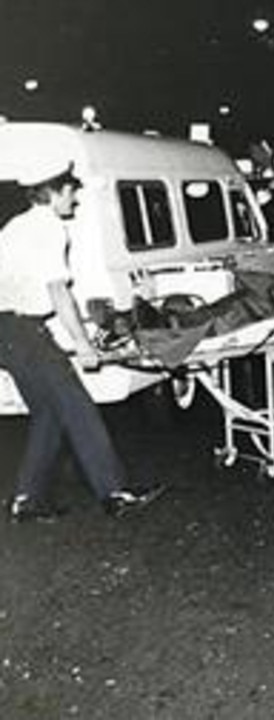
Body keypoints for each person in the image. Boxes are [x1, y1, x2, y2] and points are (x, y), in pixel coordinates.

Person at [0, 158, 164, 521]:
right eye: (71, 192)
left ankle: (26, 500)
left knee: (49, 413)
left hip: (5, 332)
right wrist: (83, 344)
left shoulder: (14, 226)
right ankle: (115, 491)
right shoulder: (50, 229)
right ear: (55, 192)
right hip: (23, 331)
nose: (74, 200)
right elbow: (58, 291)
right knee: (77, 406)